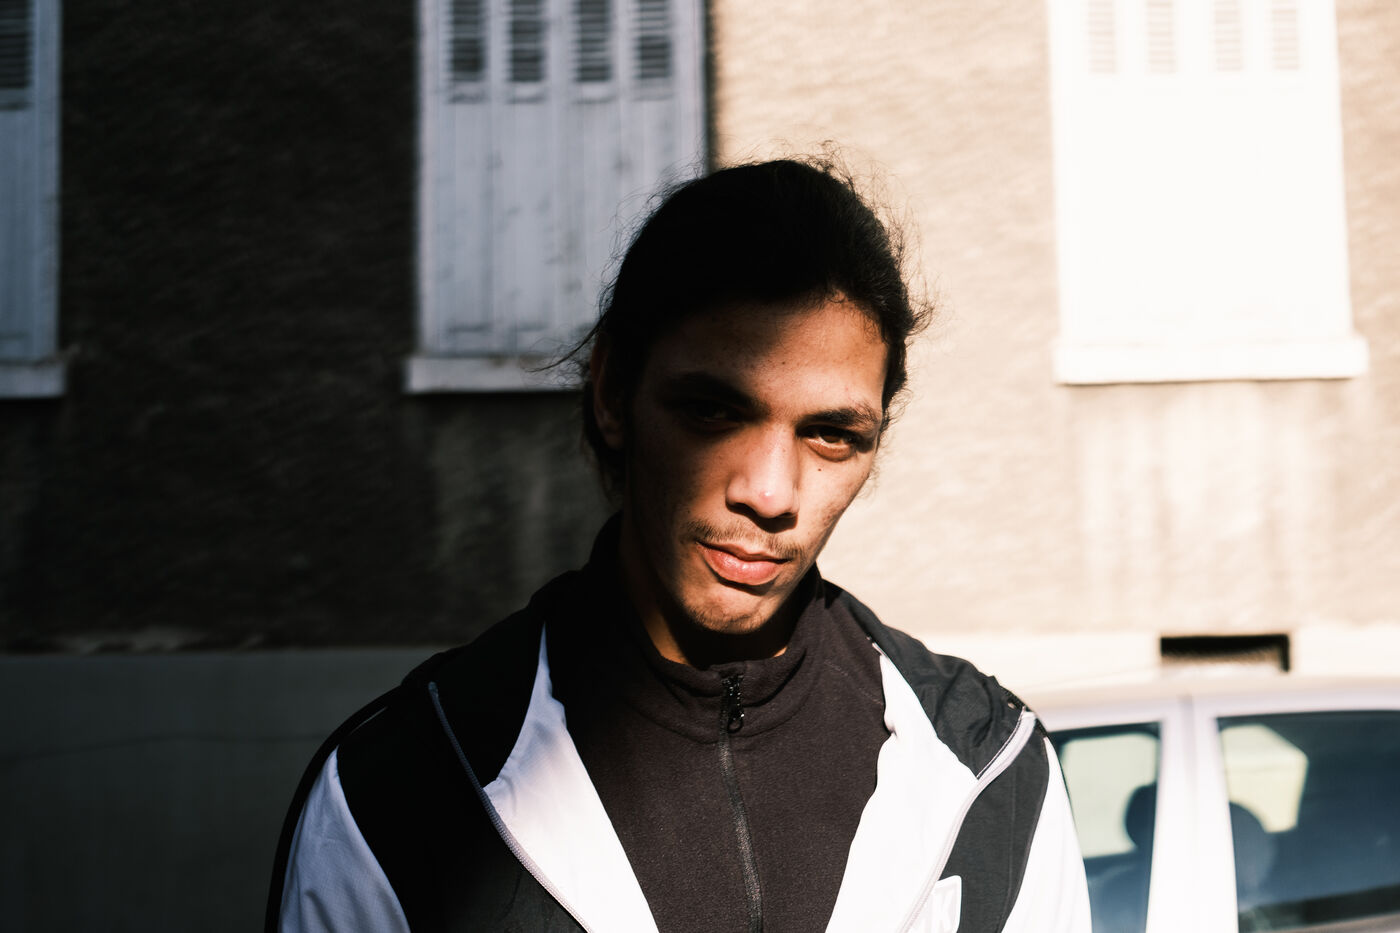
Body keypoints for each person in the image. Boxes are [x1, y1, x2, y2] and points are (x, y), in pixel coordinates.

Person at [267, 158, 1090, 933]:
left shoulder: (993, 775)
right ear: (612, 394)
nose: (770, 492)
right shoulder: (396, 789)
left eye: (832, 434)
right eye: (714, 412)